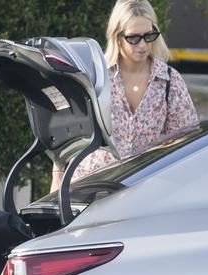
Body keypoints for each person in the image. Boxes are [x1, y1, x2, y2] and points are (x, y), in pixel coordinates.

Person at [50, 0, 198, 191]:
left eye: (149, 35)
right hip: (88, 186)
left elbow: (186, 141)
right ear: (117, 37)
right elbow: (68, 135)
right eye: (134, 38)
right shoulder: (95, 78)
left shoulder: (170, 81)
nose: (143, 45)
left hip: (143, 190)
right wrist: (57, 180)